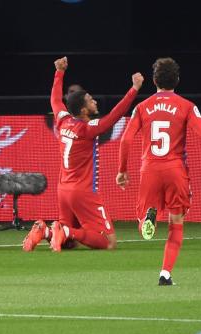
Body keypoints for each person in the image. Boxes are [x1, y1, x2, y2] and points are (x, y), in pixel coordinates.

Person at [117, 57, 201, 285]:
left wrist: (122, 170)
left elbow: (125, 140)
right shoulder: (187, 106)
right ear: (177, 80)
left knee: (143, 223)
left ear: (154, 80)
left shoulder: (142, 107)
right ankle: (165, 273)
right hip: (175, 170)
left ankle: (148, 219)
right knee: (176, 221)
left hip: (149, 169)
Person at [22, 56, 143, 252]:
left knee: (69, 244)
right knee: (109, 243)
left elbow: (54, 98)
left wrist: (59, 72)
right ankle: (66, 231)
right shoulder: (87, 128)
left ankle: (45, 232)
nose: (94, 100)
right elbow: (114, 116)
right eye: (90, 99)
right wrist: (134, 89)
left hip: (63, 190)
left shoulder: (62, 121)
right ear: (83, 109)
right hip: (83, 192)